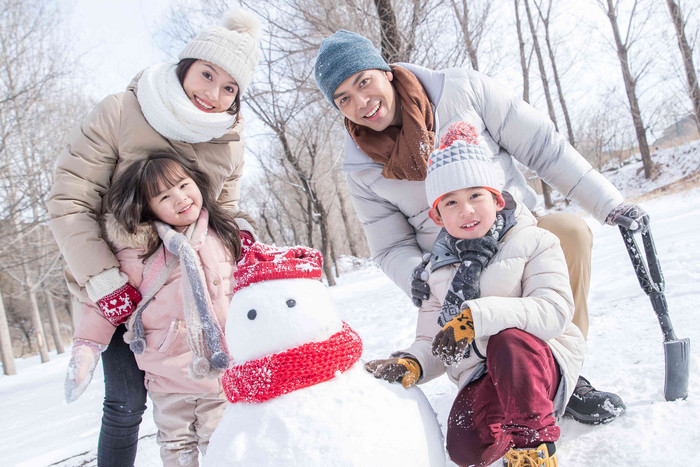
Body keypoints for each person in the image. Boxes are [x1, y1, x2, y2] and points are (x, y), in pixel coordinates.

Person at [313, 29, 647, 424]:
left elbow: (543, 147)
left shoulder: (461, 90)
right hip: (453, 263)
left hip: (515, 233)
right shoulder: (361, 170)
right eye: (344, 99)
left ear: (385, 71)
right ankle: (493, 384)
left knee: (568, 232)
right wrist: (422, 274)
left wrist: (610, 204)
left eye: (363, 82)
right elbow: (389, 247)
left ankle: (564, 373)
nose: (361, 103)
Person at [47, 8, 260, 466]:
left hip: (200, 291)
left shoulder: (228, 141)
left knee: (226, 395)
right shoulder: (123, 110)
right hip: (122, 288)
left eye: (230, 88)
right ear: (185, 66)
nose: (213, 94)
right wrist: (104, 281)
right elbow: (69, 202)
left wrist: (246, 253)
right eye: (207, 75)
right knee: (126, 405)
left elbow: (225, 211)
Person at [365, 122, 585, 466]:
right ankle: (513, 421)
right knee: (466, 451)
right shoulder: (436, 271)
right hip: (481, 375)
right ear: (438, 216)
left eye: (475, 196)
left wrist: (475, 318)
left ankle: (532, 445)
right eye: (450, 202)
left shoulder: (535, 241)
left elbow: (553, 311)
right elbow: (433, 341)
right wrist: (412, 362)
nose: (465, 210)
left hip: (539, 363)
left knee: (507, 341)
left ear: (496, 199)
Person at [71, 154, 247, 466]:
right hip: (168, 375)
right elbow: (102, 304)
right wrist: (86, 349)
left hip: (223, 369)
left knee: (222, 442)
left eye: (183, 185)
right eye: (164, 196)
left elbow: (256, 281)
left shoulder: (224, 233)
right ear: (147, 208)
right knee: (177, 446)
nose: (180, 198)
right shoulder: (139, 252)